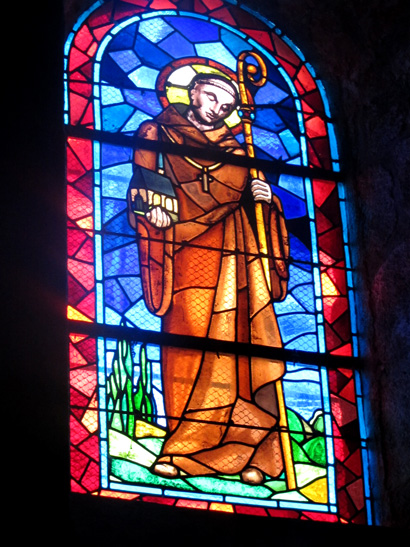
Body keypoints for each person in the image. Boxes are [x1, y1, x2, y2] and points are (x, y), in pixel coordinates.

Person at [128, 72, 289, 485]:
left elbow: (260, 212)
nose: (219, 107)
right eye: (214, 96)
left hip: (238, 258)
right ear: (193, 91)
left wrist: (266, 203)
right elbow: (142, 188)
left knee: (240, 347)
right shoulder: (157, 132)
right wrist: (151, 209)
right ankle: (185, 447)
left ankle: (258, 453)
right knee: (190, 344)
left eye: (229, 105)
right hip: (183, 257)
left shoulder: (240, 150)